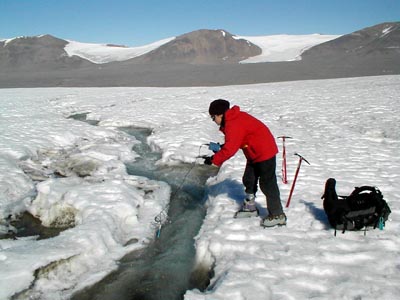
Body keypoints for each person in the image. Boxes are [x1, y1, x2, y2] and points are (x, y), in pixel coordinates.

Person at [204, 99, 286, 227]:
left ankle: (278, 215)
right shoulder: (232, 120)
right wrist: (221, 150)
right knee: (249, 179)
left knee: (267, 184)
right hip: (253, 153)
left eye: (213, 117)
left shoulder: (233, 123)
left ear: (220, 114)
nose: (213, 121)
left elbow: (230, 149)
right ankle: (250, 207)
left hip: (265, 152)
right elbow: (235, 141)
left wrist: (214, 160)